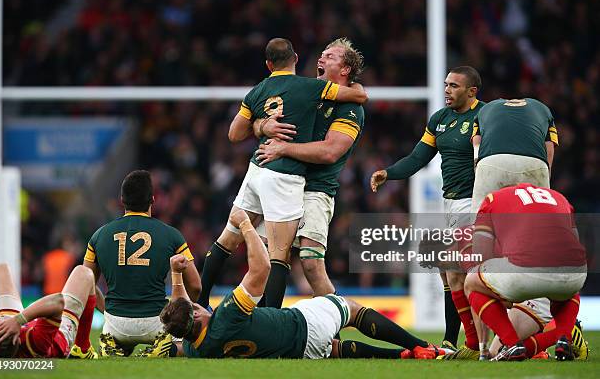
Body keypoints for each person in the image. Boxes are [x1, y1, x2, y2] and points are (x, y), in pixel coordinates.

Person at [198, 38, 367, 309]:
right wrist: (262, 126)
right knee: (265, 253)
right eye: (321, 54)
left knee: (310, 264)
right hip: (283, 177)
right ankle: (255, 316)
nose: (321, 59)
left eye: (330, 56)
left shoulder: (349, 108)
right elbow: (248, 128)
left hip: (315, 188)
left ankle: (332, 324)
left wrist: (284, 149)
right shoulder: (308, 90)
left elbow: (329, 152)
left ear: (345, 69)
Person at [159, 210, 449, 359]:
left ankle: (401, 355)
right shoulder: (227, 315)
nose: (199, 304)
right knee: (349, 309)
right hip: (303, 323)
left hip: (296, 351)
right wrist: (246, 225)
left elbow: (181, 313)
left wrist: (175, 276)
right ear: (196, 314)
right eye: (196, 306)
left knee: (333, 349)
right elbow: (260, 268)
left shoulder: (195, 348)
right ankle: (422, 346)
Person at [370, 66, 484, 353]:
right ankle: (455, 339)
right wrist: (389, 173)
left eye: (454, 86)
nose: (447, 90)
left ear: (472, 92)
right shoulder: (440, 120)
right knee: (448, 271)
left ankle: (474, 341)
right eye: (446, 84)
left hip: (476, 201)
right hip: (451, 202)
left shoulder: (486, 116)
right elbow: (418, 157)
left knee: (456, 268)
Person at [82, 169, 201, 357]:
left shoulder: (99, 235)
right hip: (158, 323)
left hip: (115, 323)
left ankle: (111, 343)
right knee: (191, 345)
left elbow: (85, 285)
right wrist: (178, 315)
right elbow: (195, 286)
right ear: (152, 200)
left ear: (122, 200)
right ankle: (166, 347)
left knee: (112, 334)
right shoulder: (171, 235)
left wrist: (107, 311)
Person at [464, 184, 587, 361]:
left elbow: (482, 258)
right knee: (569, 283)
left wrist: (499, 294)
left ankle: (512, 345)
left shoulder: (493, 198)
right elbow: (573, 244)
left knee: (471, 282)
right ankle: (564, 338)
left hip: (523, 275)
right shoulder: (559, 198)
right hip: (574, 273)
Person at [0, 263, 97, 359]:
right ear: (18, 340)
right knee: (84, 273)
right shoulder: (36, 344)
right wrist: (17, 321)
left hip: (14, 325)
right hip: (57, 335)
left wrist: (12, 321)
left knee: (0, 270)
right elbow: (57, 301)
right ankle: (83, 348)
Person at [470, 97, 559, 214]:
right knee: (539, 215)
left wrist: (478, 167)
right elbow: (549, 146)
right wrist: (547, 173)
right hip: (534, 163)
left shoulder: (485, 109)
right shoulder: (542, 108)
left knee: (480, 215)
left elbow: (477, 141)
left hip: (492, 162)